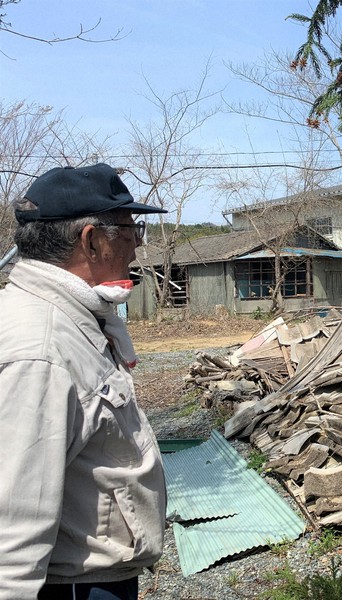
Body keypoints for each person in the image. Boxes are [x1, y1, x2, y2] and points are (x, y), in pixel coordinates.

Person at [0, 164, 168, 600]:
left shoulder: (74, 317)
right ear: (92, 240)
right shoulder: (42, 345)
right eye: (130, 232)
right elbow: (13, 518)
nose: (135, 246)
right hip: (72, 586)